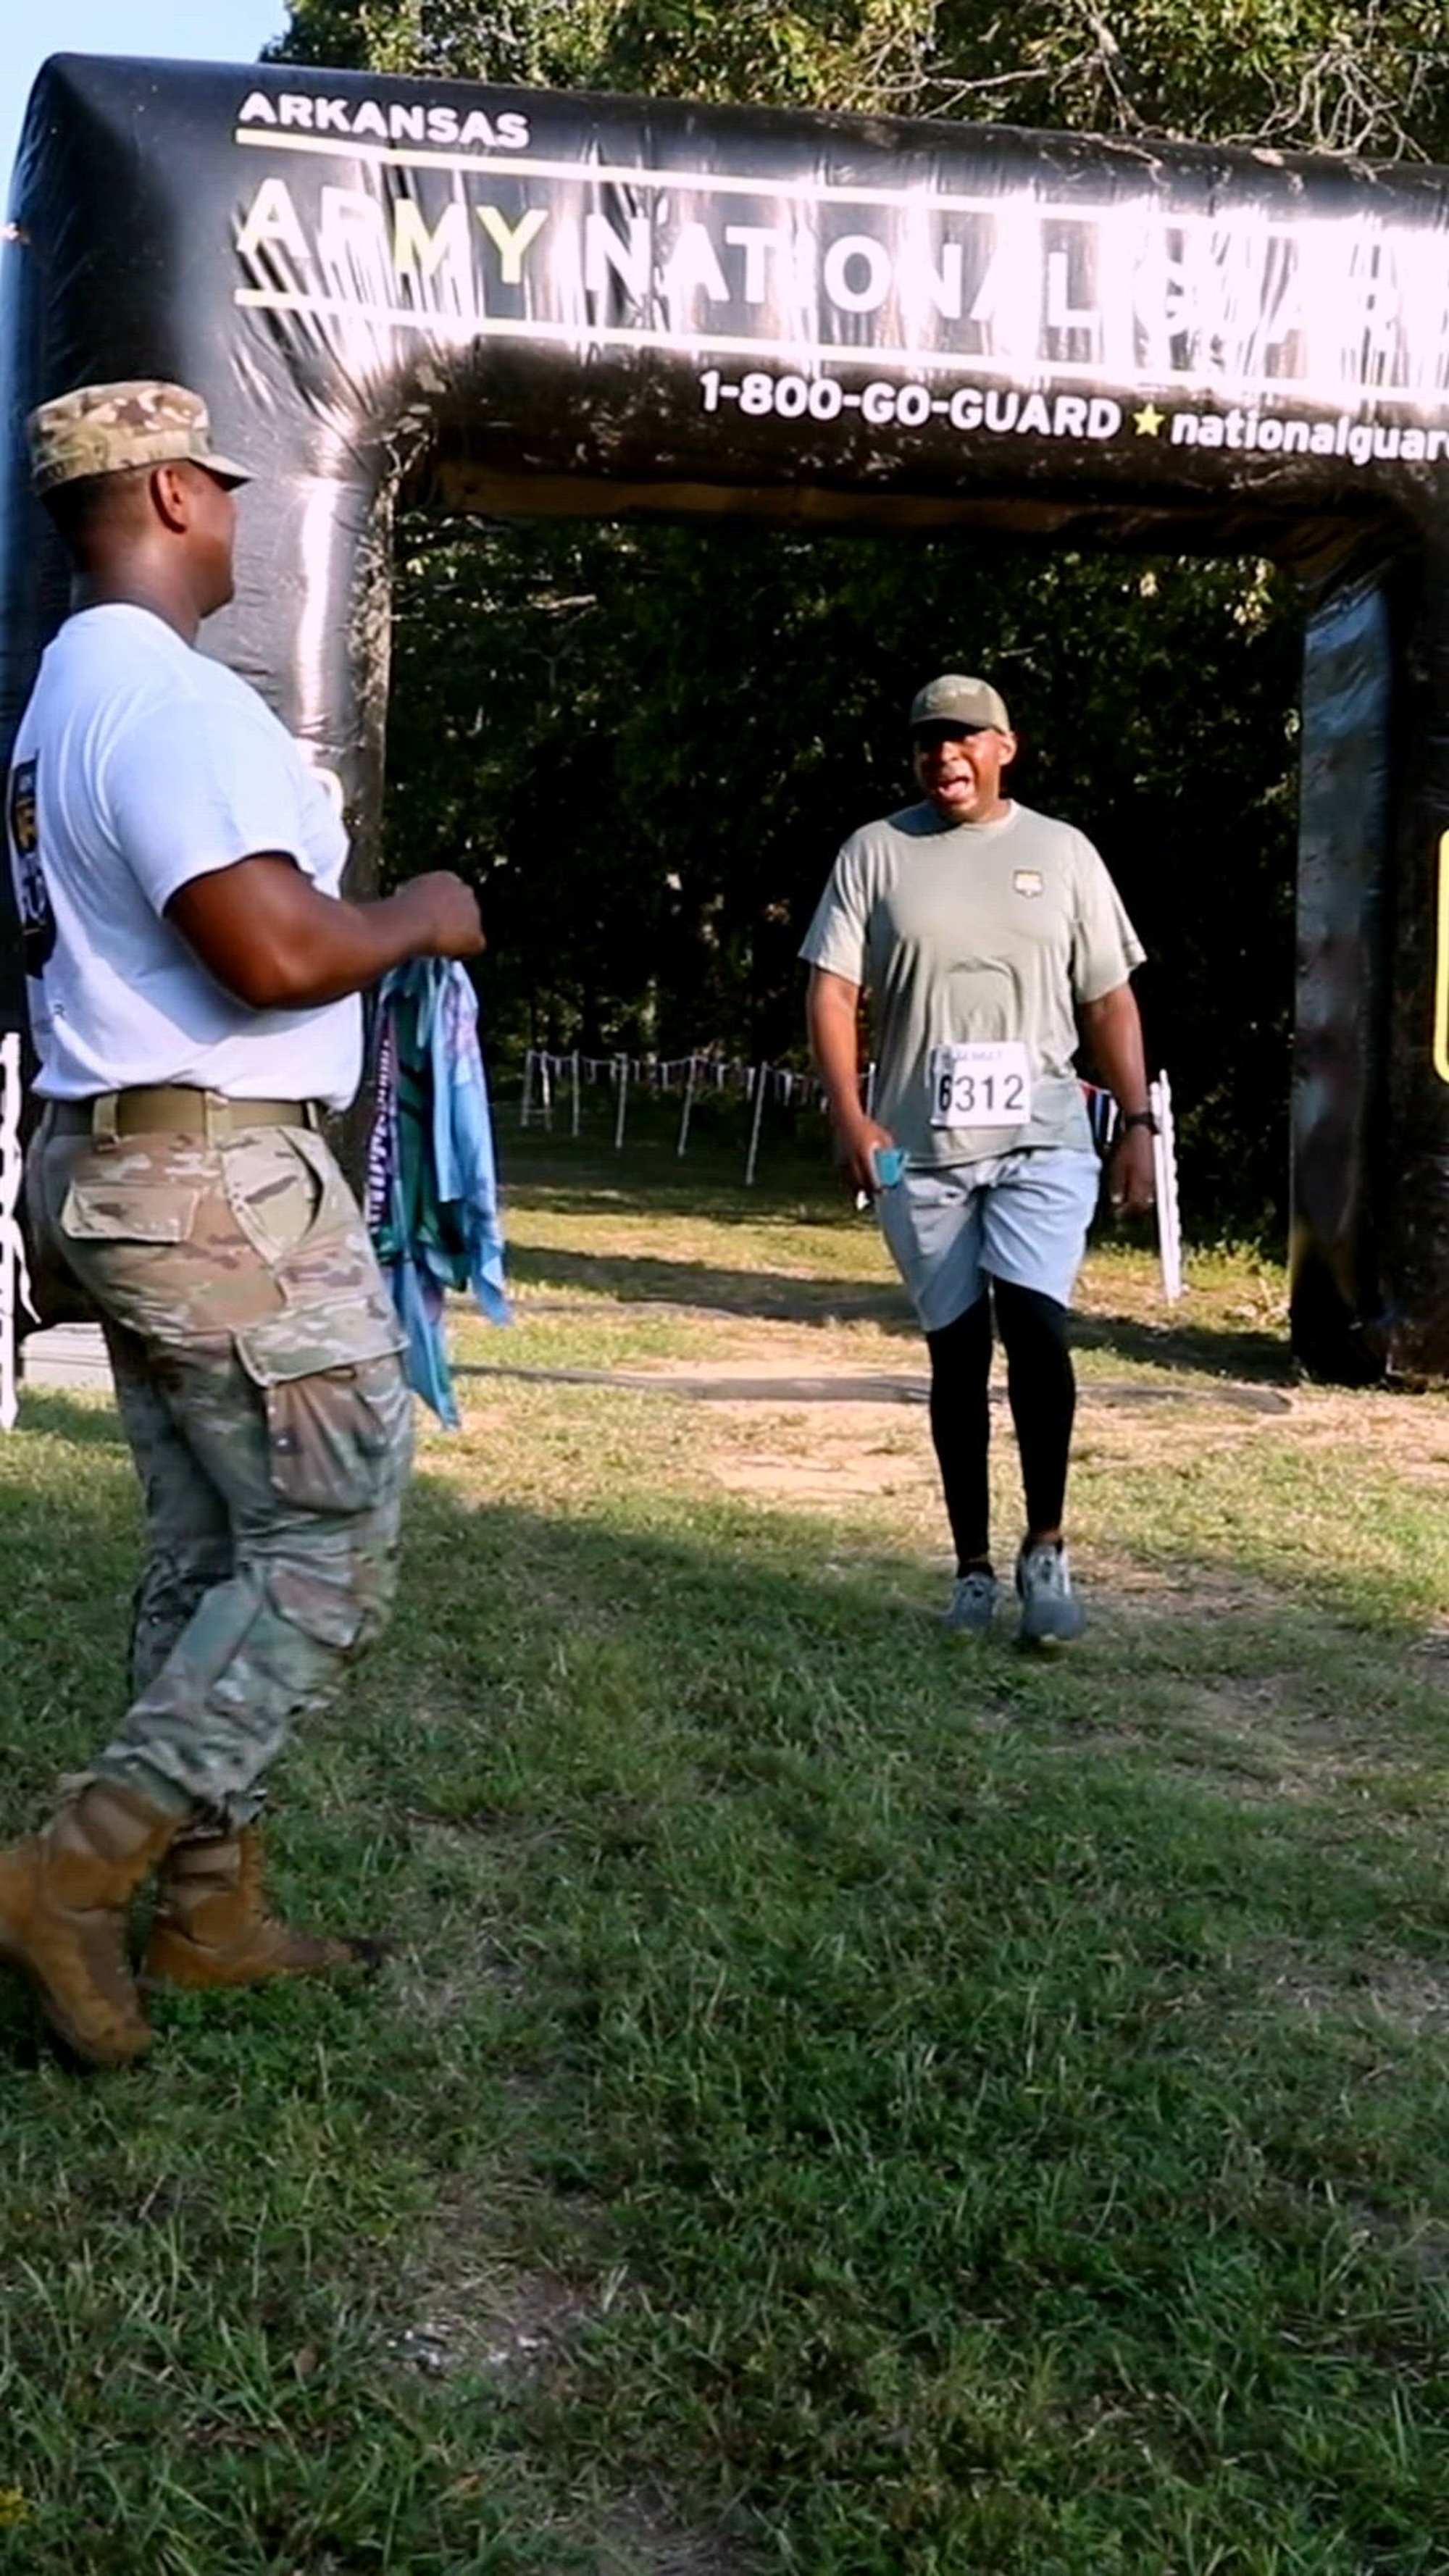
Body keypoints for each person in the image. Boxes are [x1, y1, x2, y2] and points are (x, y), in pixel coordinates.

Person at [0, 380, 484, 2067]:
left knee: (216, 1546)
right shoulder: (172, 702)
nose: (235, 509)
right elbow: (268, 950)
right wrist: (420, 912)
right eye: (217, 480)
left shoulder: (62, 695)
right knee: (330, 1538)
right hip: (216, 1178)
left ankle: (207, 1911)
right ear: (171, 496)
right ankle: (69, 1875)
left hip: (117, 1161)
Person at [801, 672, 1154, 1647]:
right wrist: (852, 1115)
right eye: (927, 740)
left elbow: (1109, 1000)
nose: (944, 753)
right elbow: (833, 993)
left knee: (1036, 1323)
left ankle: (1047, 1547)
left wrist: (1137, 1124)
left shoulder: (1064, 854)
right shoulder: (877, 853)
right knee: (957, 1351)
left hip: (1041, 1133)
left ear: (1006, 747)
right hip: (922, 1148)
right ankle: (971, 1570)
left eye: (964, 738)